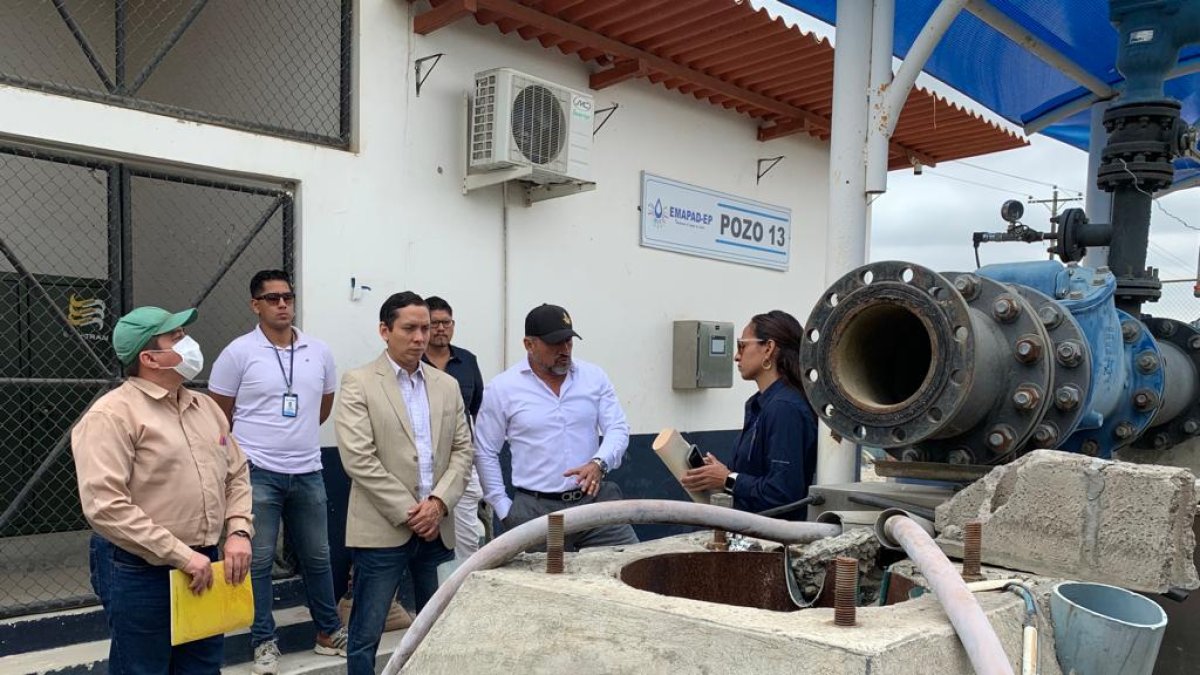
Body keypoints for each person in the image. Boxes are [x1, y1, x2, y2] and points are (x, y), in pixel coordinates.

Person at [72, 306, 253, 673]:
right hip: (139, 569)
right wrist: (181, 556)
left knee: (201, 668)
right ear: (149, 357)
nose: (189, 343)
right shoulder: (111, 416)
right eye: (176, 337)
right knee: (142, 668)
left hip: (205, 562)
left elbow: (236, 472)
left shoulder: (205, 407)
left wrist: (238, 530)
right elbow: (106, 507)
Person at [207, 270, 346, 673]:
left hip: (308, 470)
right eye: (272, 298)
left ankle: (327, 631)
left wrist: (294, 436)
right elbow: (219, 417)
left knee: (318, 557)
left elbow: (322, 408)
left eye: (288, 296)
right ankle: (263, 641)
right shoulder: (238, 353)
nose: (282, 304)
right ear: (256, 305)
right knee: (259, 560)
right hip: (257, 472)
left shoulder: (318, 351)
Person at [334, 291, 474, 675]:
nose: (420, 337)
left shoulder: (445, 385)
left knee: (439, 628)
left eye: (425, 328)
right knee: (365, 635)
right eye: (409, 328)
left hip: (437, 531)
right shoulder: (359, 382)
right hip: (383, 530)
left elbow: (463, 451)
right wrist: (412, 512)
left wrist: (438, 504)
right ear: (384, 330)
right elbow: (358, 459)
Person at [475, 303, 637, 549]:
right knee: (541, 584)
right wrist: (503, 508)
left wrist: (598, 463)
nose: (564, 350)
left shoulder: (594, 377)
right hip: (536, 510)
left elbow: (617, 428)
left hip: (594, 503)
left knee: (627, 568)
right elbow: (485, 450)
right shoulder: (503, 388)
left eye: (569, 342)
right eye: (555, 343)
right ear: (529, 345)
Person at [681, 310, 818, 518]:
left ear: (768, 349)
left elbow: (783, 492)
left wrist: (728, 478)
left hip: (773, 538)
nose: (736, 356)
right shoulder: (762, 404)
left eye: (742, 346)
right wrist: (720, 474)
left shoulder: (784, 408)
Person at [421, 296, 487, 559]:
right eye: (434, 323)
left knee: (466, 539)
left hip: (460, 462)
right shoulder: (413, 362)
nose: (440, 328)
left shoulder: (468, 361)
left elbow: (477, 408)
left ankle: (463, 592)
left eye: (446, 322)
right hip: (422, 462)